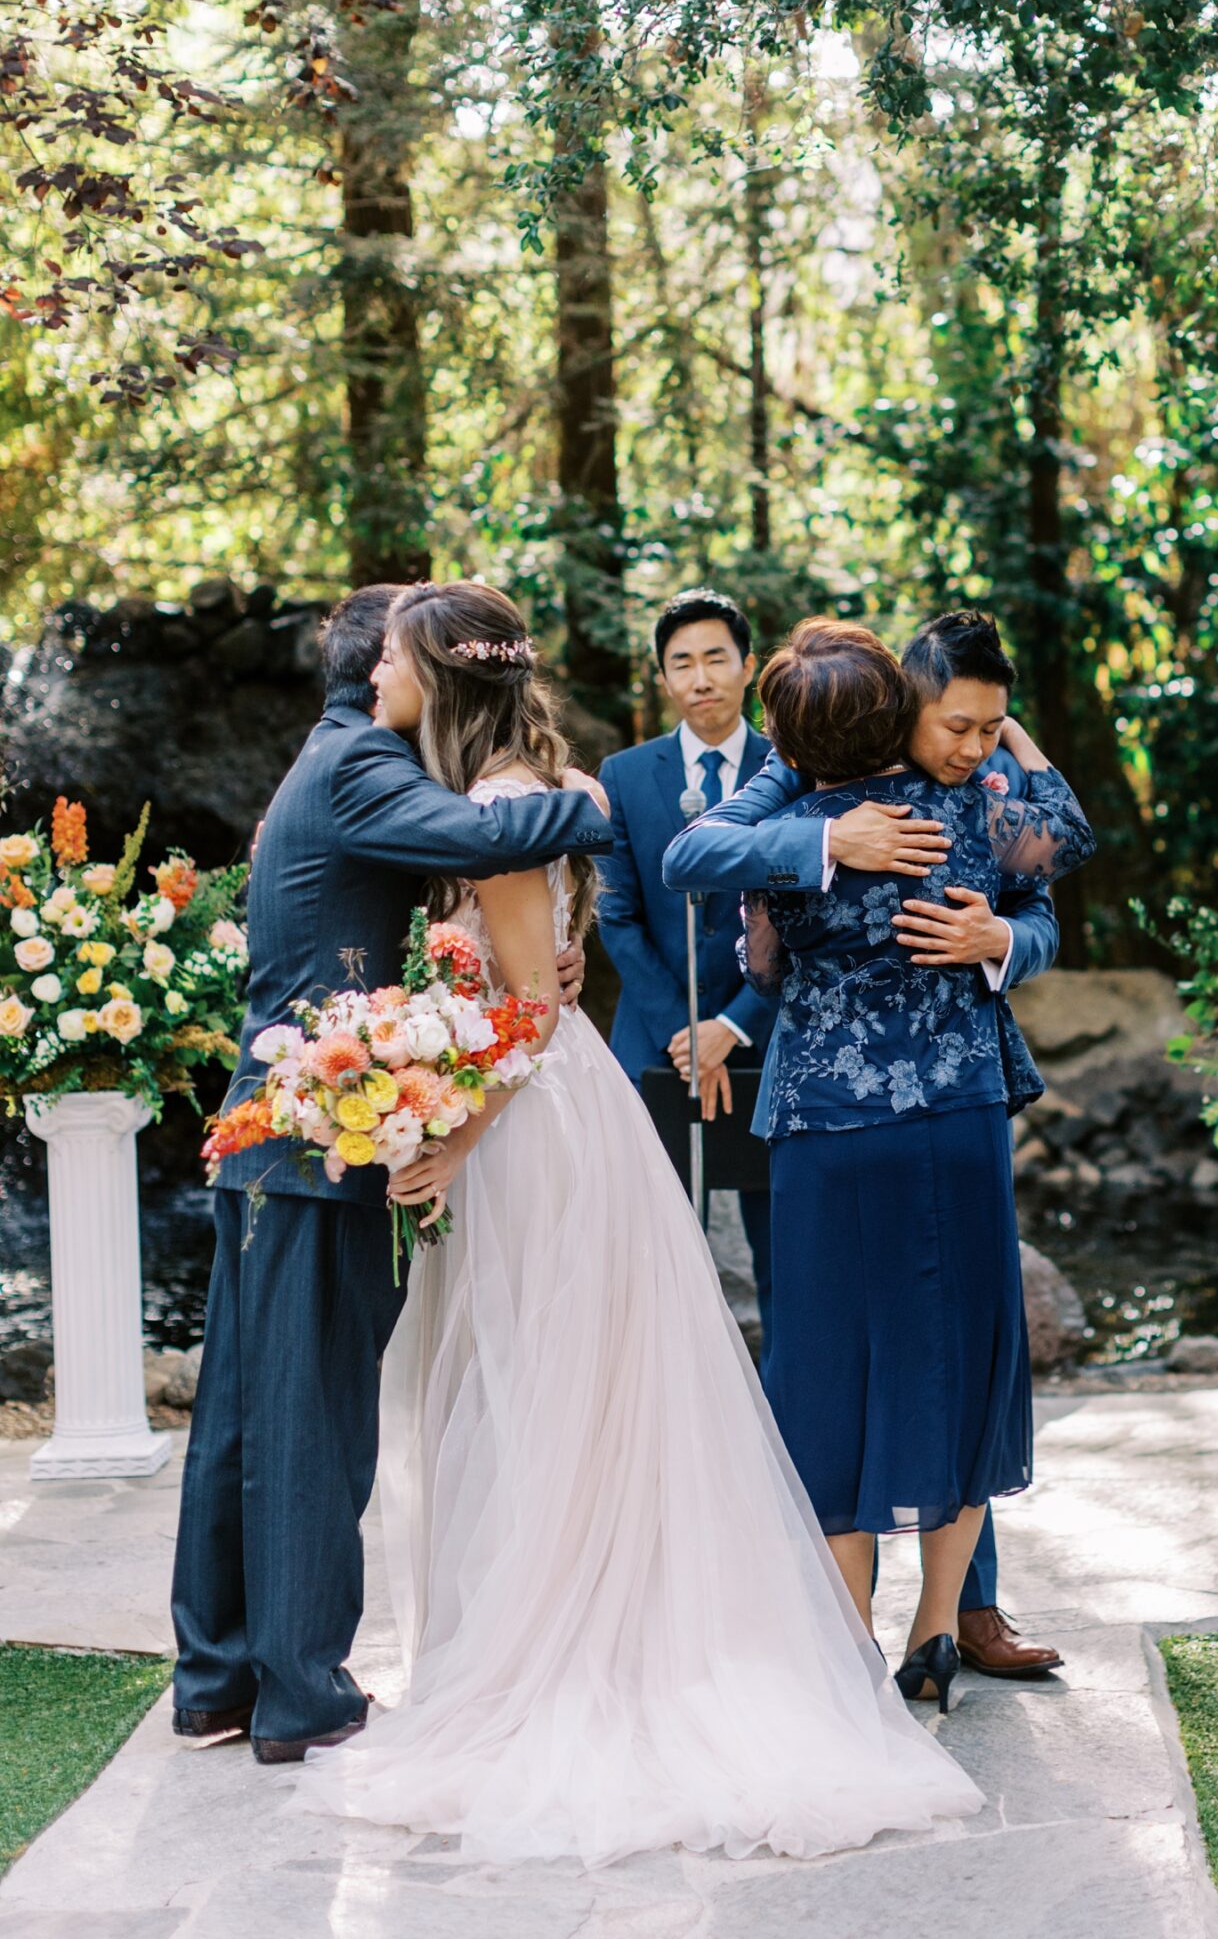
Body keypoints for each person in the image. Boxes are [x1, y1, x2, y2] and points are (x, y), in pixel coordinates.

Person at [293, 580, 985, 1864]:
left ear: (441, 682)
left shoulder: (500, 805)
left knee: (541, 1398)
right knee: (558, 1396)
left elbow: (531, 1011)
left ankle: (555, 1653)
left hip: (531, 1132)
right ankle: (542, 1632)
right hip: (559, 1114)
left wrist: (448, 1137)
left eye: (396, 661)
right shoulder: (529, 784)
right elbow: (551, 965)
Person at [170, 583, 613, 1765]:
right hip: (318, 1140)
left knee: (241, 1417)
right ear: (386, 665)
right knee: (310, 1415)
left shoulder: (330, 759)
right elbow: (487, 839)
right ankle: (303, 1693)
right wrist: (594, 799)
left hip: (276, 1136)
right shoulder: (365, 760)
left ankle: (217, 1676)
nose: (389, 686)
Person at [666, 616, 1095, 1709]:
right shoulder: (977, 814)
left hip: (826, 1124)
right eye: (964, 723)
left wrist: (1000, 939)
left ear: (795, 736)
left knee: (829, 1370)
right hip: (954, 1114)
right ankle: (935, 1626)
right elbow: (1066, 841)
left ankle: (841, 1638)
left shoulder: (793, 816)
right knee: (961, 1359)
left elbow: (742, 931)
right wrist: (1020, 764)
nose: (978, 741)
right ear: (902, 706)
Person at [596, 588, 776, 1349]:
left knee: (781, 1237)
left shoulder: (791, 767)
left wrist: (731, 1025)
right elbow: (616, 913)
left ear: (748, 667)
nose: (699, 677)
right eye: (681, 663)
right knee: (653, 1239)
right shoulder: (625, 774)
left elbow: (803, 924)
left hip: (765, 1036)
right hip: (655, 1040)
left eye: (714, 658)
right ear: (662, 678)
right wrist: (684, 1030)